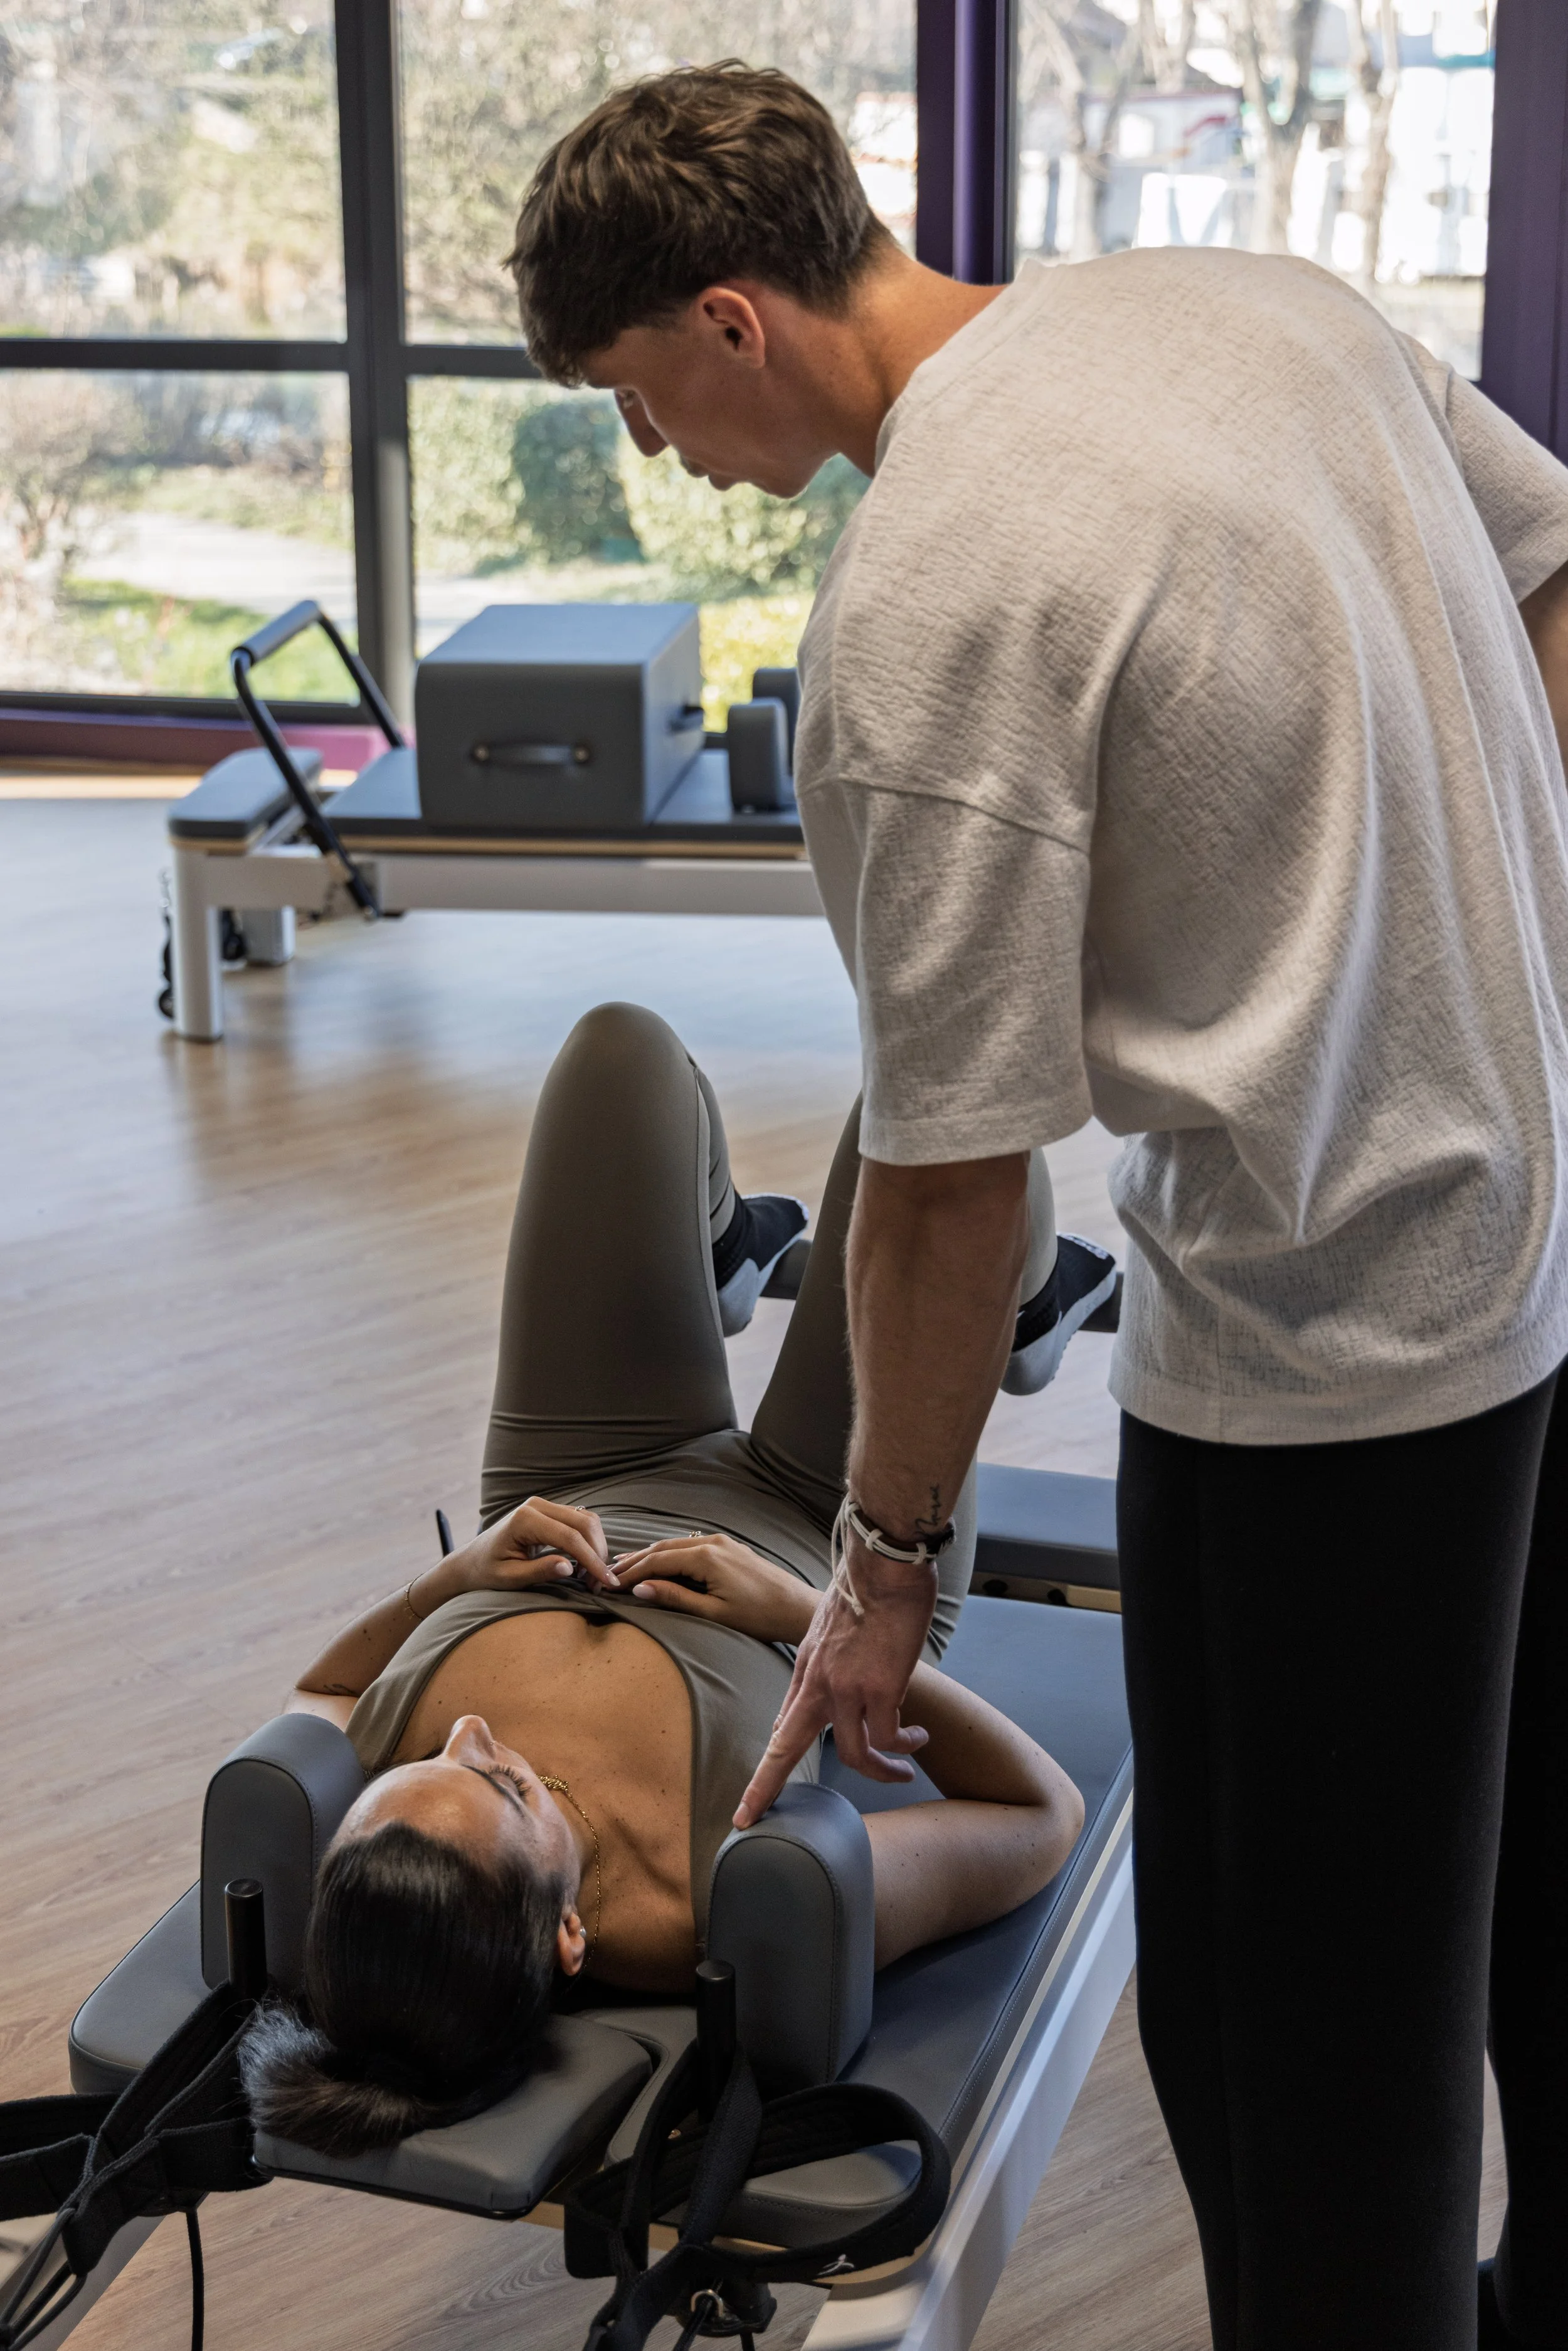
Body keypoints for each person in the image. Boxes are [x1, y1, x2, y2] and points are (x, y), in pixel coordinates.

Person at [505, 63, 1568, 2351]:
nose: (657, 453)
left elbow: (951, 1186)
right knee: (1509, 1916)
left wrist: (877, 1577)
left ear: (729, 315)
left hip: (1337, 1366)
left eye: (636, 398)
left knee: (1300, 2067)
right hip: (1540, 1262)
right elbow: (1558, 564)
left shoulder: (919, 616)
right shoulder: (1256, 301)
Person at [240, 1002, 1086, 2158]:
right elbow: (1042, 1816)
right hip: (830, 1536)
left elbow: (319, 1693)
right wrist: (806, 1613)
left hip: (574, 1471)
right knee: (954, 1110)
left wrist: (460, 1575)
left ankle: (728, 1246)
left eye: (433, 1757)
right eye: (508, 1788)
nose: (469, 1731)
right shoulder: (721, 1897)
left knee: (616, 1053)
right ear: (570, 1938)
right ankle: (1026, 1308)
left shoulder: (404, 1849)